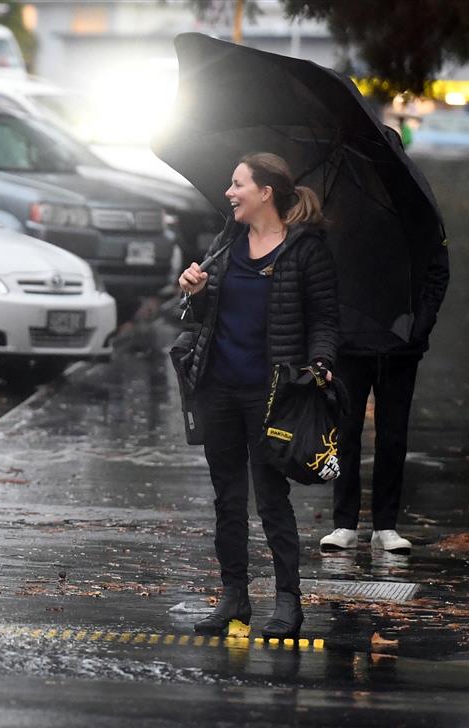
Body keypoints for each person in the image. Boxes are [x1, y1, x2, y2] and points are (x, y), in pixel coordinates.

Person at [177, 152, 339, 639]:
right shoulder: (226, 243)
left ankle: (288, 600)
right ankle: (234, 597)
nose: (230, 193)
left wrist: (321, 365)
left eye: (237, 184)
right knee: (228, 499)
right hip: (218, 389)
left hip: (272, 397)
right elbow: (198, 315)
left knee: (271, 498)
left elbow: (326, 321)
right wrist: (195, 290)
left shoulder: (306, 250)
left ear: (265, 192)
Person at [320, 244, 449, 555]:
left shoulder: (417, 215)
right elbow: (323, 271)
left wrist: (420, 326)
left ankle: (385, 525)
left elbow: (438, 271)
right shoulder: (344, 210)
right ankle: (345, 524)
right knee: (345, 433)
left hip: (400, 344)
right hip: (351, 344)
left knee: (392, 437)